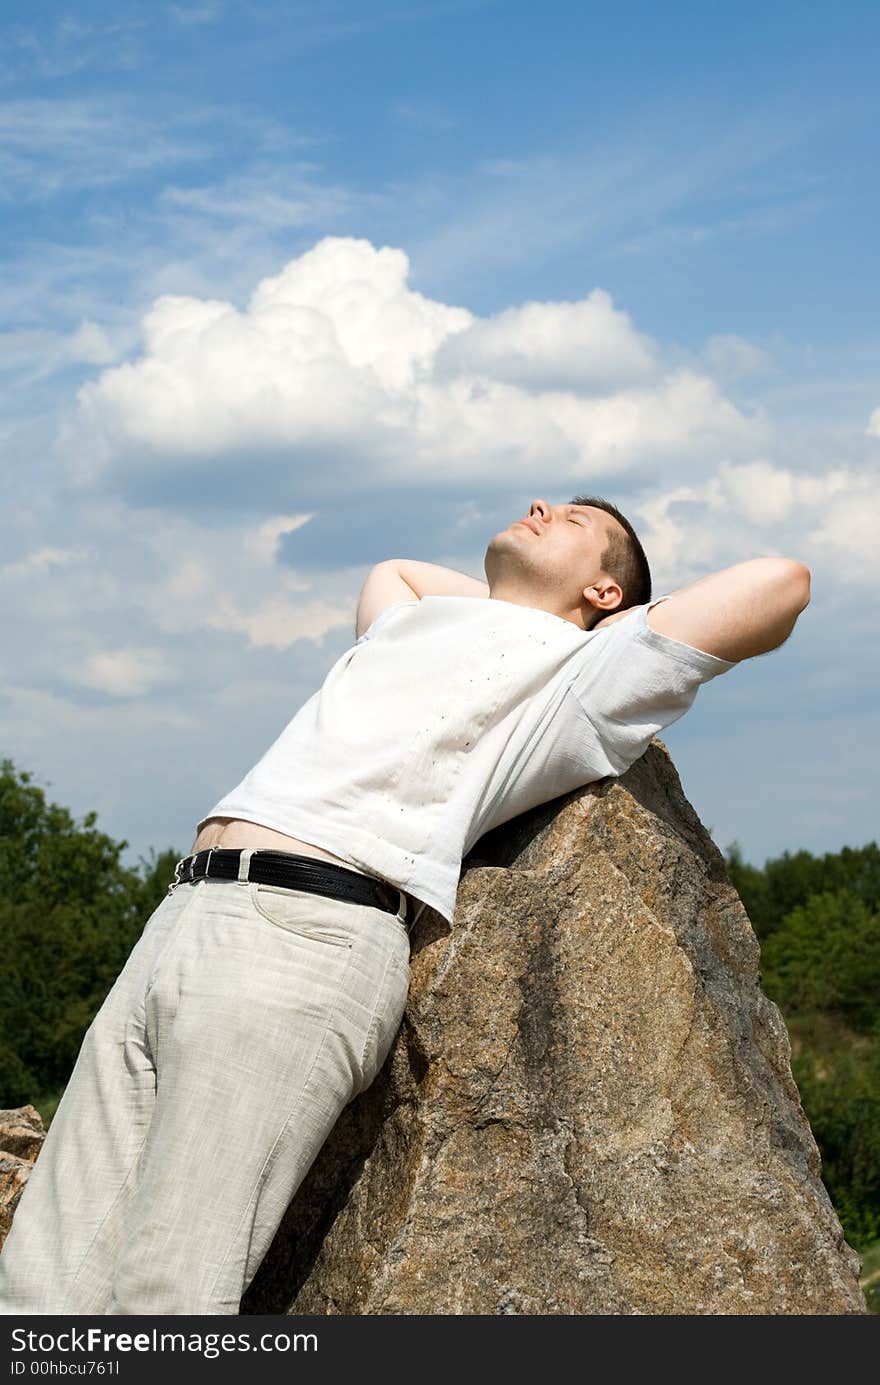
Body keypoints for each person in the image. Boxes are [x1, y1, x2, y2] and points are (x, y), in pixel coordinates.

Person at [0, 494, 810, 1315]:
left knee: (171, 1291)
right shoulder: (414, 629)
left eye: (571, 519)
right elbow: (391, 571)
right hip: (183, 914)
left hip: (305, 931)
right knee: (37, 1288)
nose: (539, 505)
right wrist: (516, 596)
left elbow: (782, 582)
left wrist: (618, 631)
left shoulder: (578, 681)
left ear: (606, 593)